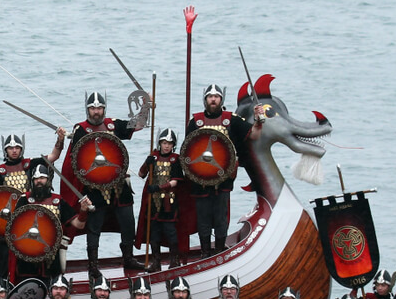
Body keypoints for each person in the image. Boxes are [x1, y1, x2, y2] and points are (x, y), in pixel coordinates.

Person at [64, 92, 144, 276]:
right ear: (87, 109)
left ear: (104, 109)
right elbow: (75, 160)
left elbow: (137, 124)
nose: (96, 111)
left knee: (128, 223)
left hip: (119, 185)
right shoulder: (81, 130)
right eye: (93, 108)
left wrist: (147, 106)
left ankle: (129, 258)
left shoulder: (112, 124)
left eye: (99, 108)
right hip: (94, 187)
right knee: (94, 227)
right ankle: (93, 266)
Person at [186, 84, 264, 257]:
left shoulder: (232, 119)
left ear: (221, 99)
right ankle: (205, 252)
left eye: (216, 96)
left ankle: (219, 251)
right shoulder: (196, 122)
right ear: (205, 99)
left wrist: (259, 120)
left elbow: (254, 135)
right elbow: (188, 150)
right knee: (203, 217)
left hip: (224, 178)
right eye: (210, 96)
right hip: (200, 179)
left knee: (221, 217)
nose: (213, 99)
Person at [137, 128, 184, 271]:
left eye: (169, 143)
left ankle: (174, 260)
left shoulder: (175, 159)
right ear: (160, 143)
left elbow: (176, 181)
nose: (166, 146)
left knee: (170, 231)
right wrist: (147, 163)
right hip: (153, 201)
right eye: (164, 142)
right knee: (154, 232)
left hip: (168, 201)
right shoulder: (154, 157)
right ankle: (156, 262)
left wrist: (159, 187)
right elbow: (141, 174)